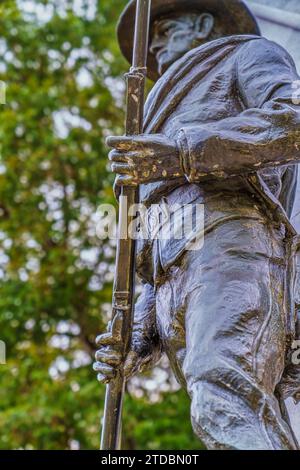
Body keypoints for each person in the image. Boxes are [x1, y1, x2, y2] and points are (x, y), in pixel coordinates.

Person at [94, 0, 300, 449]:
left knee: (221, 396)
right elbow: (154, 227)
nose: (153, 43)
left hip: (230, 244)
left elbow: (294, 121)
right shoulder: (158, 104)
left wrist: (182, 153)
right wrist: (138, 330)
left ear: (204, 22)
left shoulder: (245, 55)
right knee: (226, 403)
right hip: (172, 277)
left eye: (165, 28)